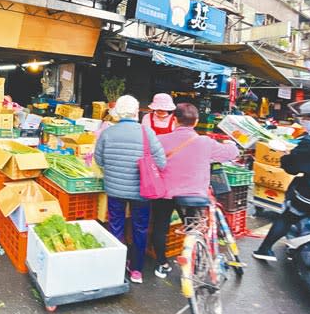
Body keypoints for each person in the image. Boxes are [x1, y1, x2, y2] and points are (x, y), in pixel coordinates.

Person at [253, 100, 310, 262]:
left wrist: (285, 157)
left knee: (287, 218)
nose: (306, 123)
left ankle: (264, 249)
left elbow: (292, 167)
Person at [152, 103, 239, 278]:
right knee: (193, 229)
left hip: (165, 193)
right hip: (193, 196)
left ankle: (162, 264)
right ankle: (197, 262)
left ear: (174, 119)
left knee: (160, 227)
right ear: (196, 121)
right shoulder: (205, 142)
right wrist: (230, 143)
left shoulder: (160, 140)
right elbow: (231, 153)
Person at [94, 94, 166, 284]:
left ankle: (115, 267)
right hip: (141, 190)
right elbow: (161, 162)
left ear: (117, 112)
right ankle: (136, 271)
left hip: (115, 190)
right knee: (139, 229)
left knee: (116, 225)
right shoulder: (147, 133)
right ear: (136, 112)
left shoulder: (107, 133)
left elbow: (99, 160)